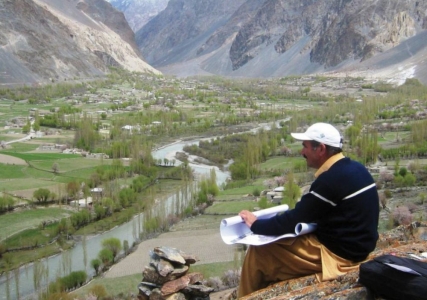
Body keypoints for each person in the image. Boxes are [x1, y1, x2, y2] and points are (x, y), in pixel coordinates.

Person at [237, 122, 379, 298]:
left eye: (305, 147)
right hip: (359, 249)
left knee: (259, 251)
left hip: (340, 256)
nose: (302, 152)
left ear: (320, 149)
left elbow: (293, 220)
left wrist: (256, 224)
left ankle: (245, 296)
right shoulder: (356, 168)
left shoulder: (330, 180)